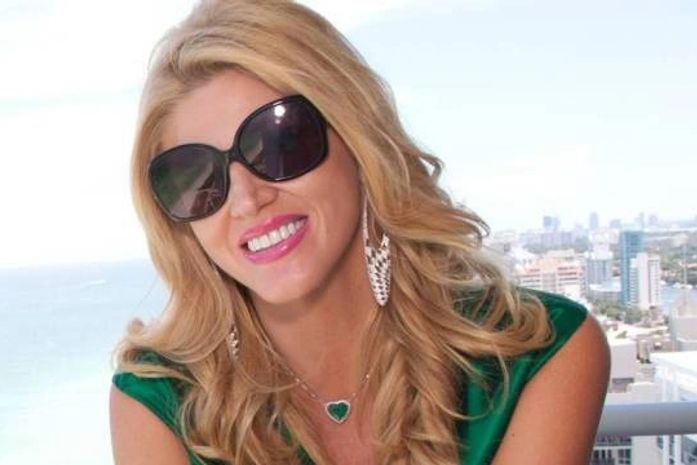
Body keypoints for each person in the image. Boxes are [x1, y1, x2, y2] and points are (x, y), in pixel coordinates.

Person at [109, 1, 610, 464]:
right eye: (196, 179)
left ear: (357, 138)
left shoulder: (538, 354)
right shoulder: (158, 403)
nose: (245, 200)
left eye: (278, 144)